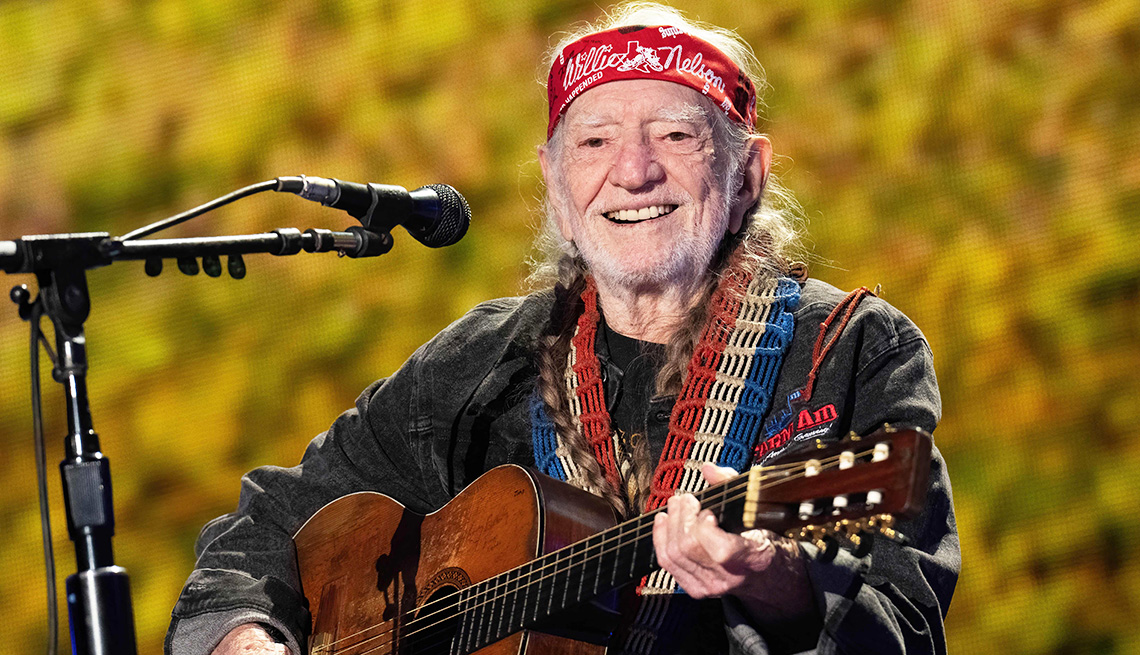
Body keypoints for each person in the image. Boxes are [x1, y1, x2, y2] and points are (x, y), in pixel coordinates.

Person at [167, 3, 959, 654]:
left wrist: (779, 585)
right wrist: (244, 636)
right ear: (555, 184)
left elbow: (908, 627)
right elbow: (266, 526)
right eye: (595, 140)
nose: (634, 170)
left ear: (746, 172)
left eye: (676, 135)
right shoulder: (481, 362)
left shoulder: (853, 349)